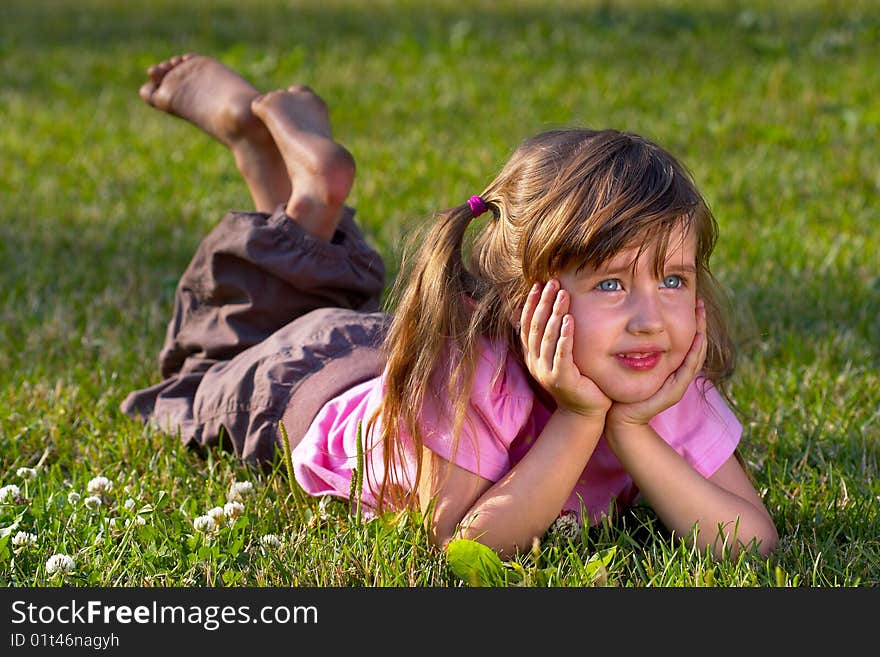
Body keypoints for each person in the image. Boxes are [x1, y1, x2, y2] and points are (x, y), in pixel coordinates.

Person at [123, 54, 778, 561]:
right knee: (219, 356)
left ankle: (294, 182)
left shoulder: (660, 373)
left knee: (306, 297)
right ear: (526, 301)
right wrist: (581, 419)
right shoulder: (477, 381)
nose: (651, 317)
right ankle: (281, 170)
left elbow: (750, 540)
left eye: (674, 279)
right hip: (306, 384)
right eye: (610, 284)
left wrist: (632, 428)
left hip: (382, 356)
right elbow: (461, 541)